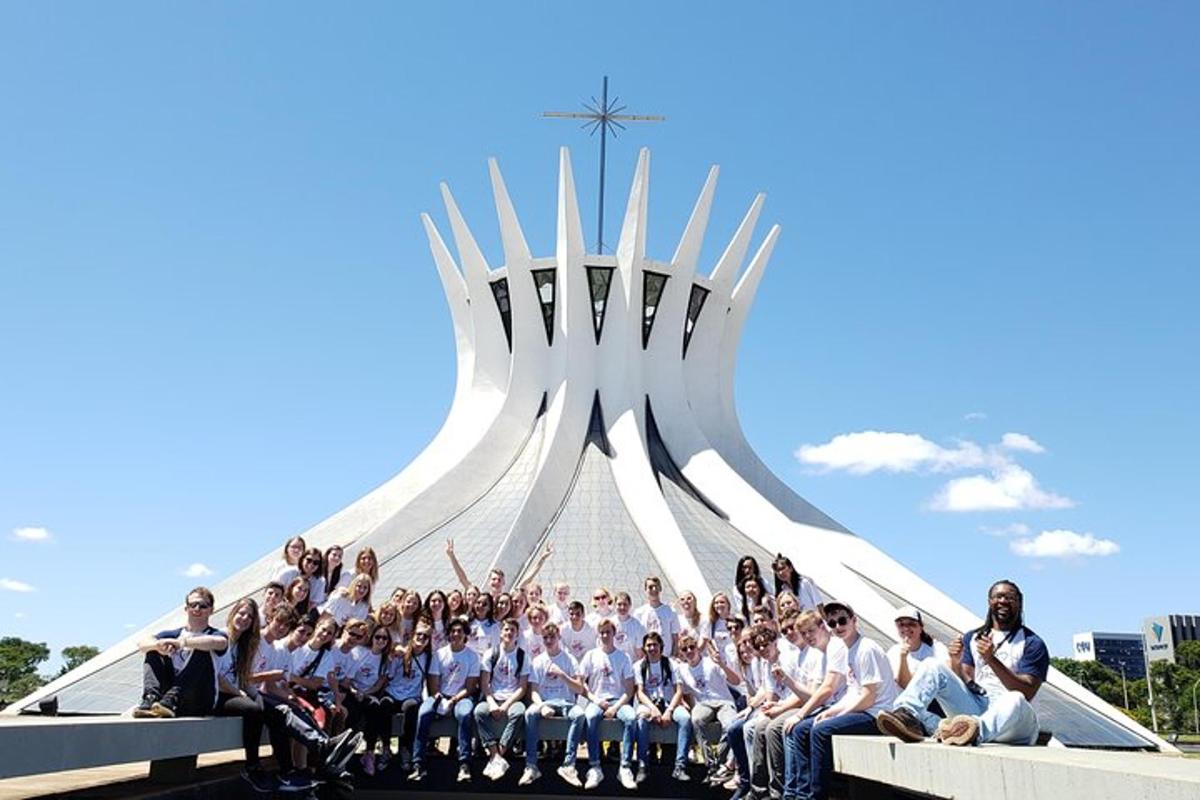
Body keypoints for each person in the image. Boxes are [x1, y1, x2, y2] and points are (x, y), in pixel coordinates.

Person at [875, 580, 1048, 747]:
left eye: (1010, 597)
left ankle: (971, 732)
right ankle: (906, 715)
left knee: (1015, 698)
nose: (1003, 601)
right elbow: (969, 682)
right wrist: (955, 663)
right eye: (998, 596)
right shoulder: (973, 637)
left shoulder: (1032, 642)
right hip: (980, 707)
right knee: (931, 665)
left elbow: (1027, 691)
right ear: (989, 601)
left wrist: (991, 659)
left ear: (1019, 603)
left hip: (1014, 721)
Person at [784, 602, 895, 800]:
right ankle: (800, 794)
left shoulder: (866, 649)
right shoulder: (849, 649)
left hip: (876, 715)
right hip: (862, 710)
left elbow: (869, 697)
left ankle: (817, 796)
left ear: (854, 620)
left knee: (820, 731)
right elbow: (854, 692)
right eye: (833, 623)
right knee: (802, 729)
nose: (838, 626)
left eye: (842, 620)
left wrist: (839, 714)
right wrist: (831, 711)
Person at [133, 587, 229, 718]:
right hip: (166, 703)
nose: (197, 609)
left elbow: (220, 642)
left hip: (199, 700)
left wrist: (183, 643)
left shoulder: (215, 634)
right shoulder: (174, 634)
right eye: (193, 605)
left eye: (203, 606)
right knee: (153, 651)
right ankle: (151, 698)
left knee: (203, 650)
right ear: (186, 609)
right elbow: (141, 644)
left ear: (211, 610)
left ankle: (173, 698)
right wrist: (158, 645)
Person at [410, 618, 480, 784]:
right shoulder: (439, 654)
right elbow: (433, 683)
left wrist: (454, 700)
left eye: (460, 631)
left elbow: (470, 687)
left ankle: (464, 763)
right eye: (453, 631)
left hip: (461, 697)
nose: (456, 634)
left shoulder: (472, 657)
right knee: (424, 713)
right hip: (439, 696)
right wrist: (440, 700)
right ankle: (418, 763)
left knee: (465, 714)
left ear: (465, 635)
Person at [522, 622, 587, 787]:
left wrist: (562, 675)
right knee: (530, 713)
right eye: (545, 638)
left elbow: (579, 688)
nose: (549, 640)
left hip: (566, 702)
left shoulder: (569, 659)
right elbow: (534, 691)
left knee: (579, 715)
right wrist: (542, 706)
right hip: (545, 702)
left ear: (559, 637)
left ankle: (569, 765)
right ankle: (531, 766)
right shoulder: (537, 661)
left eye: (552, 637)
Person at [578, 618, 638, 790]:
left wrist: (615, 707)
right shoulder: (591, 655)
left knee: (631, 718)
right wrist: (595, 700)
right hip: (597, 700)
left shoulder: (623, 657)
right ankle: (595, 766)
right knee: (590, 716)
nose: (605, 635)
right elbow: (581, 683)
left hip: (617, 701)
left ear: (614, 634)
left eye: (608, 632)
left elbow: (629, 690)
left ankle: (625, 767)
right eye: (602, 632)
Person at [677, 631, 742, 781]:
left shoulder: (711, 662)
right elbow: (684, 692)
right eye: (685, 649)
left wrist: (722, 664)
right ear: (681, 653)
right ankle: (711, 763)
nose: (689, 651)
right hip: (703, 703)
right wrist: (686, 705)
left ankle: (720, 760)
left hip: (724, 701)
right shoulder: (682, 670)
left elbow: (736, 681)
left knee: (730, 725)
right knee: (696, 720)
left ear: (697, 648)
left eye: (692, 647)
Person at [377, 620, 437, 775]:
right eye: (419, 635)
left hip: (412, 695)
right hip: (393, 692)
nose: (421, 638)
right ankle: (385, 747)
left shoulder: (429, 657)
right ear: (412, 636)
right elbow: (389, 675)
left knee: (410, 709)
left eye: (425, 636)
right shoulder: (400, 654)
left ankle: (404, 748)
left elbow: (430, 681)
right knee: (384, 704)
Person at [475, 617, 531, 781]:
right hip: (493, 697)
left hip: (512, 700)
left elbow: (522, 687)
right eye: (506, 630)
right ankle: (495, 756)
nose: (509, 633)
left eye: (512, 630)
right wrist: (491, 703)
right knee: (479, 712)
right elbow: (485, 683)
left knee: (519, 713)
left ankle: (499, 754)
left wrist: (506, 705)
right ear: (501, 633)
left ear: (517, 634)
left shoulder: (522, 656)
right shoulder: (491, 654)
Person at [634, 631, 694, 783]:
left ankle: (680, 765)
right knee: (641, 719)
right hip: (648, 703)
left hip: (669, 703)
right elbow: (639, 693)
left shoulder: (671, 664)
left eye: (655, 644)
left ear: (661, 646)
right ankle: (643, 765)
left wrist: (669, 710)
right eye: (648, 645)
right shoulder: (639, 666)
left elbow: (679, 690)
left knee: (685, 718)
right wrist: (653, 709)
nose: (652, 648)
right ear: (644, 648)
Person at [887, 605, 950, 690]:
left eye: (911, 624)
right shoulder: (893, 652)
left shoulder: (937, 649)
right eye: (901, 625)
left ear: (921, 628)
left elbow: (947, 676)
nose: (906, 628)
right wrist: (903, 658)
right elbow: (904, 685)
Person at [634, 575, 680, 657]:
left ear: (660, 589)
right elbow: (637, 640)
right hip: (647, 659)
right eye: (650, 587)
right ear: (645, 590)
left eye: (656, 587)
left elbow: (675, 639)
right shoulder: (639, 613)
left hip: (666, 658)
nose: (654, 589)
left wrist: (673, 657)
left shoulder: (670, 611)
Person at [612, 592, 646, 662]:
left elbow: (640, 653)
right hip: (614, 664)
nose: (622, 607)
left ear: (630, 605)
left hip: (631, 665)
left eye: (625, 604)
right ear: (614, 605)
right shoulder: (610, 623)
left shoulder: (637, 625)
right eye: (619, 604)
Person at [467, 591, 500, 656]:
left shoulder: (494, 626)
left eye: (484, 604)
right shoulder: (466, 621)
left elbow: (495, 650)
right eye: (478, 602)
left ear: (489, 608)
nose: (480, 606)